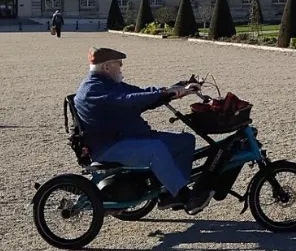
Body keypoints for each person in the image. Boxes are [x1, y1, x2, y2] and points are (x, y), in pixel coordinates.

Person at [73, 47, 211, 213]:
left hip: (128, 137)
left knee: (185, 141)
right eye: (118, 63)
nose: (121, 66)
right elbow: (129, 100)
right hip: (110, 146)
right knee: (156, 150)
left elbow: (139, 93)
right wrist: (165, 94)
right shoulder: (93, 89)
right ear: (106, 67)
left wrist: (174, 89)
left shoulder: (106, 83)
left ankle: (169, 194)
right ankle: (184, 196)